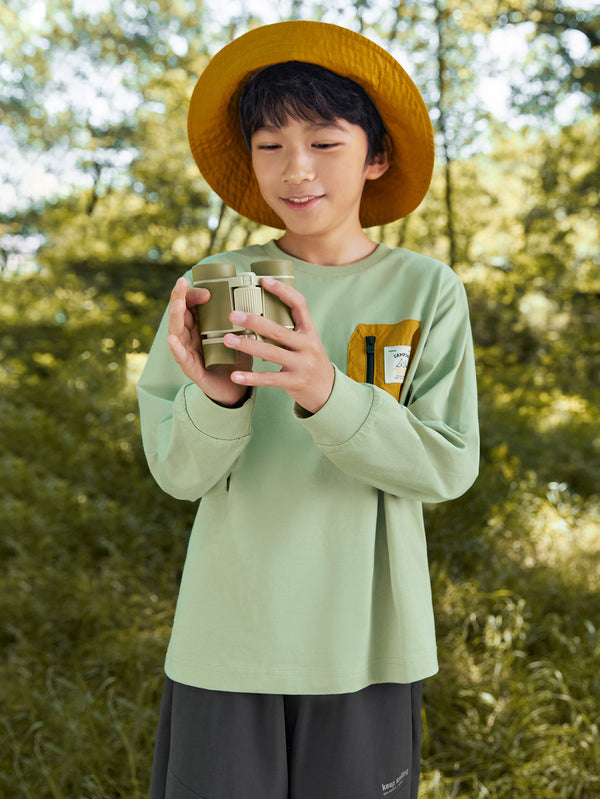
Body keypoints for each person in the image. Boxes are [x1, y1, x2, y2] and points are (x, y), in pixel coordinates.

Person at [137, 19, 479, 799]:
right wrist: (218, 399)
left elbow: (448, 464)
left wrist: (326, 391)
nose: (296, 169)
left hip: (366, 639)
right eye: (270, 145)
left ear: (376, 155)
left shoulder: (428, 291)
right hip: (229, 630)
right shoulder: (217, 281)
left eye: (325, 141)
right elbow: (178, 472)